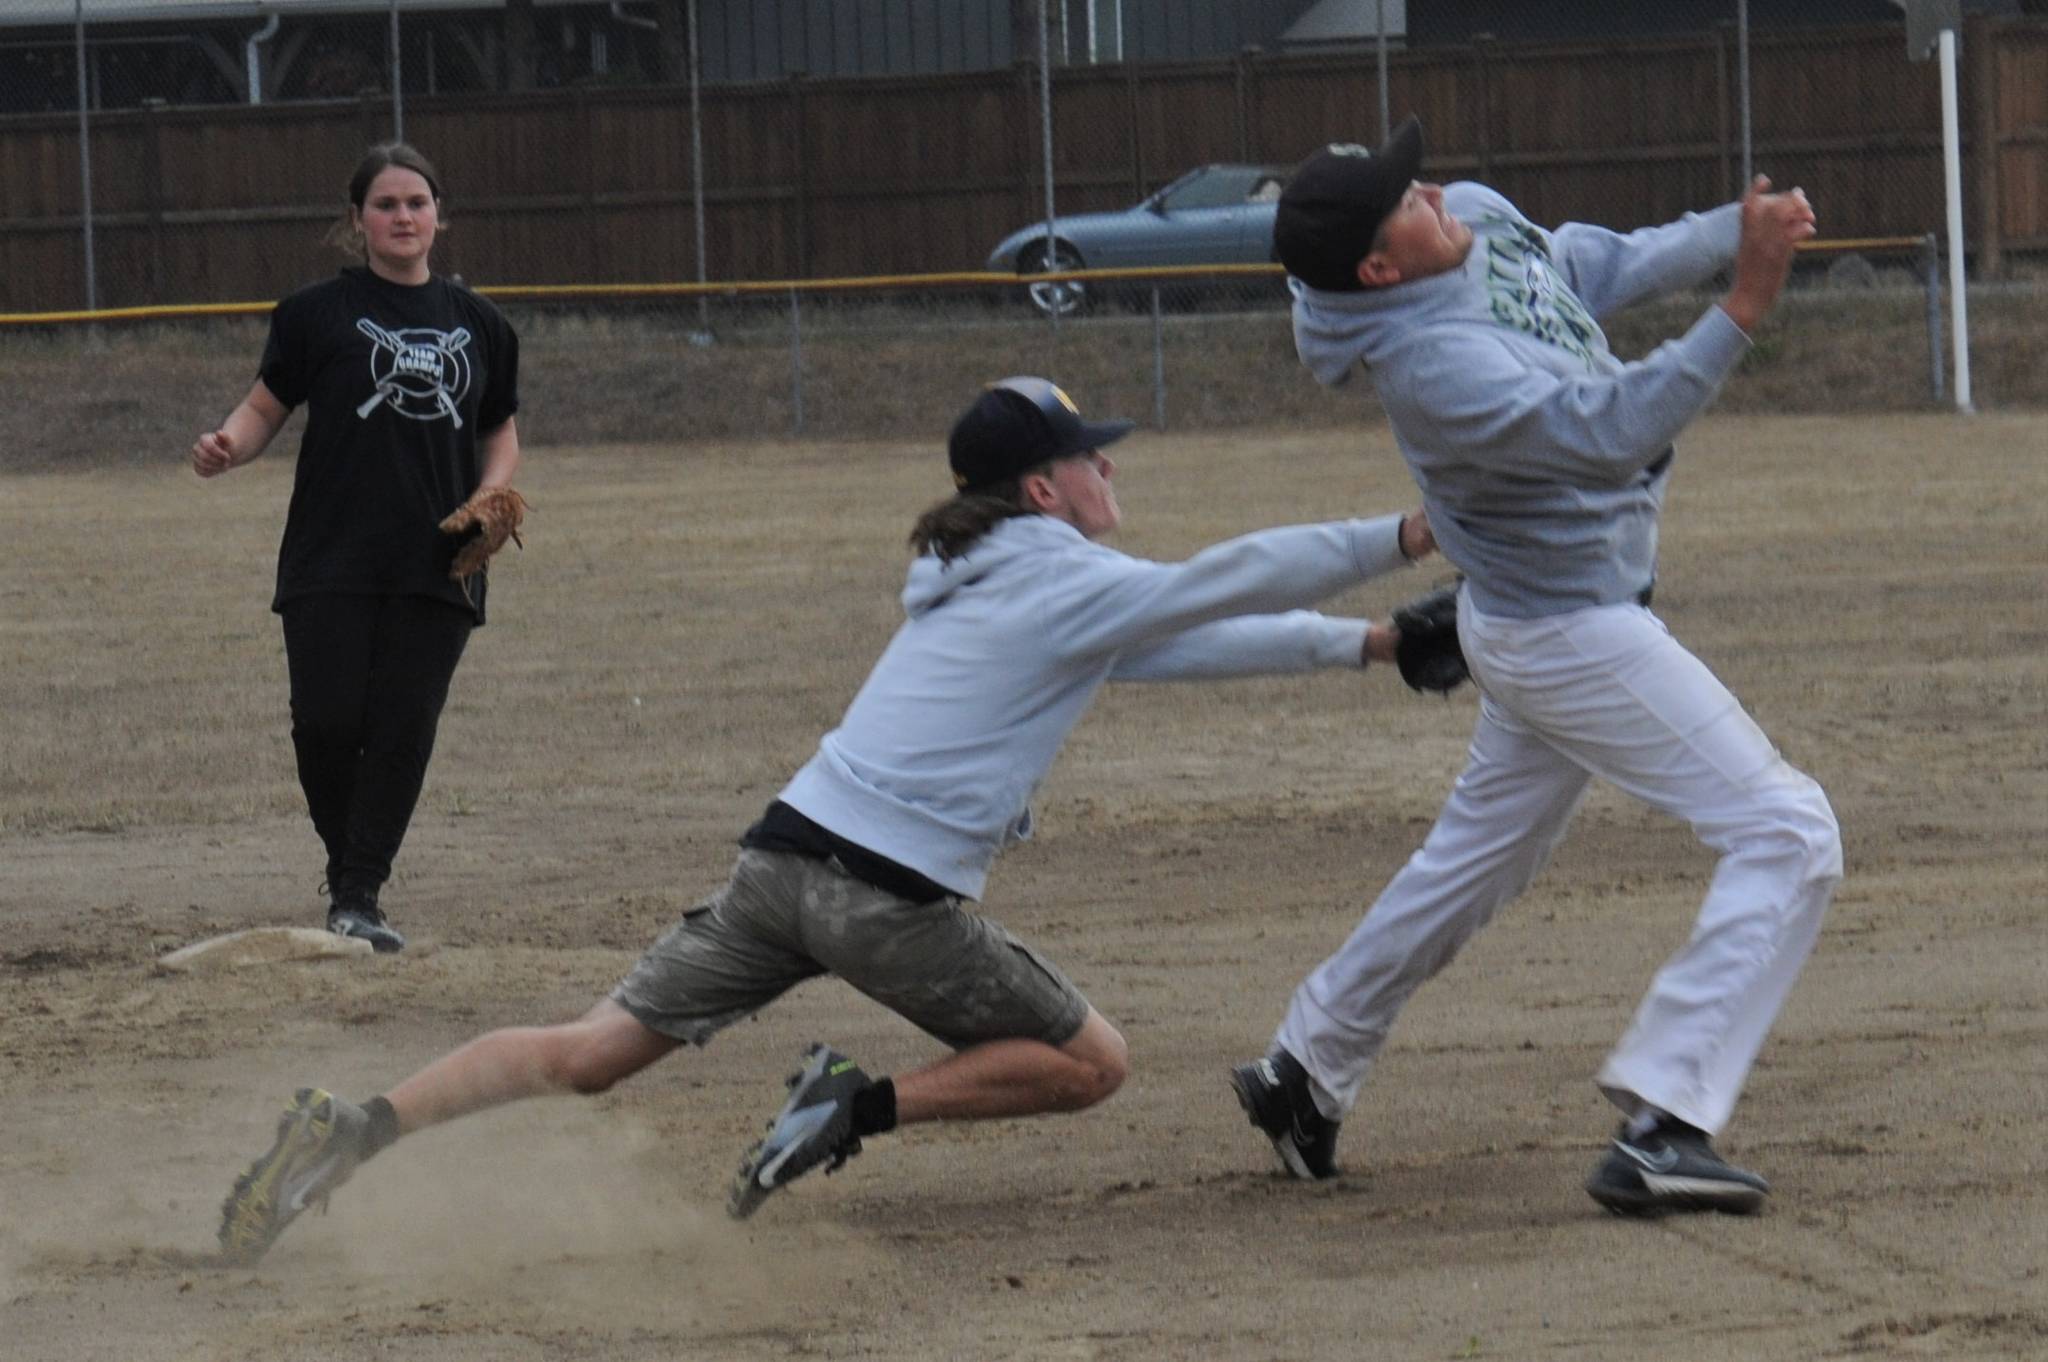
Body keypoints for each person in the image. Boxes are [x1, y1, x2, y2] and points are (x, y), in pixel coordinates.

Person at [217, 374, 1446, 1264]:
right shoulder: (1061, 571)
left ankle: (354, 1129)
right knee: (1091, 1065)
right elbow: (1219, 582)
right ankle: (850, 1107)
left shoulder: (987, 575)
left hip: (780, 861)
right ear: (1038, 487)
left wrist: (1372, 646)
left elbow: (1181, 642)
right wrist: (1402, 537)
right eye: (1091, 454)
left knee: (584, 1053)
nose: (1108, 467)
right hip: (880, 895)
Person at [1230, 116, 1841, 1217]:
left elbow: (1582, 265)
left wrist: (1727, 231)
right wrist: (1740, 304)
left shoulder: (1471, 219)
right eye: (1405, 204)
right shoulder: (1429, 368)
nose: (1435, 197)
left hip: (1530, 613)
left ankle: (1304, 1069)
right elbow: (1607, 427)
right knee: (1788, 831)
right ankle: (1665, 1121)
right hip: (1564, 629)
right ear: (1376, 268)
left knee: (1471, 866)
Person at [190, 143, 524, 954]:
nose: (403, 217)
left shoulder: (481, 325)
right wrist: (229, 443)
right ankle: (349, 871)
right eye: (386, 204)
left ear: (439, 216)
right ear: (357, 220)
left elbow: (499, 433)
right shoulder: (316, 314)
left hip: (437, 562)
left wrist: (492, 494)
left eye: (417, 202)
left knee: (403, 727)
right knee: (326, 724)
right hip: (330, 553)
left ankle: (357, 894)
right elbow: (267, 406)